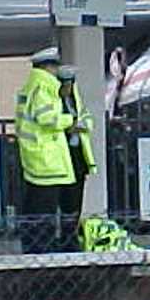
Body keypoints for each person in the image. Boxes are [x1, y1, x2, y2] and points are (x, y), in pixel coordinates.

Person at [14, 47, 77, 253]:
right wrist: (71, 121)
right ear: (49, 67)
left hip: (34, 155)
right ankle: (43, 247)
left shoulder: (32, 85)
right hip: (47, 158)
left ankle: (33, 245)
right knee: (45, 209)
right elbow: (47, 118)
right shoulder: (44, 86)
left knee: (34, 206)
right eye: (55, 67)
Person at [56, 65, 96, 243]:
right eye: (65, 83)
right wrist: (68, 125)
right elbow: (49, 124)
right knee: (63, 200)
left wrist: (81, 125)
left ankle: (71, 236)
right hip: (60, 157)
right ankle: (63, 237)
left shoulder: (75, 101)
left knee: (75, 200)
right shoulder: (52, 102)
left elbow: (88, 119)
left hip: (78, 157)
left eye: (71, 84)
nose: (68, 88)